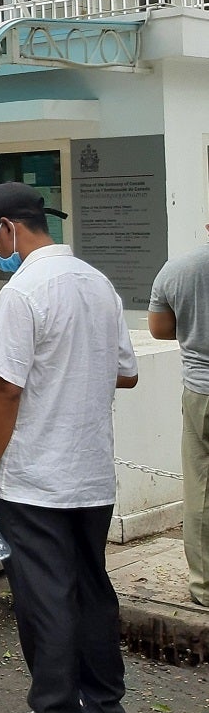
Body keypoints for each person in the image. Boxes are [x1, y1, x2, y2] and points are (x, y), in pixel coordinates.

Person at [0, 182, 138, 713]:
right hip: (90, 472)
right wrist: (72, 366)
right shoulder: (98, 283)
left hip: (34, 476)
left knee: (44, 595)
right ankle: (104, 707)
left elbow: (5, 389)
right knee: (90, 590)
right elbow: (127, 372)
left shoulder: (23, 291)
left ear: (8, 227)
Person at [149, 225, 209, 606]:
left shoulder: (178, 269)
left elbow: (159, 329)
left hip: (201, 390)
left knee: (200, 490)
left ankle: (204, 586)